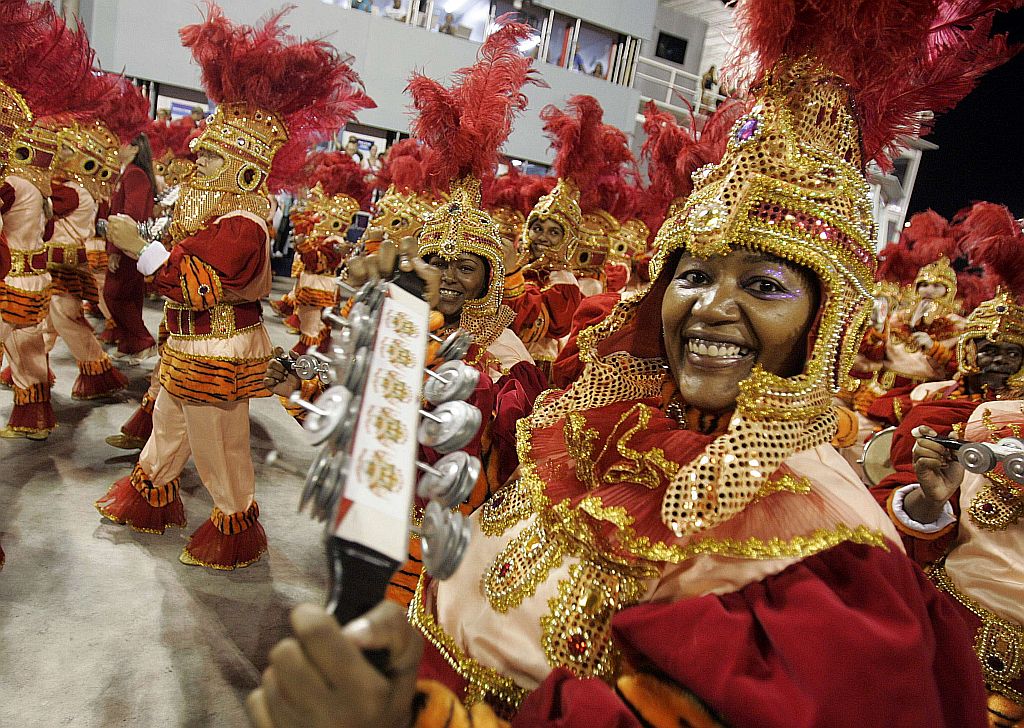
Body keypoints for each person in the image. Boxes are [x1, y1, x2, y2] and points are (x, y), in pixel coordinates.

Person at [248, 0, 1014, 723]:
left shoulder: (827, 562)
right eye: (694, 273)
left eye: (763, 284)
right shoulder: (600, 424)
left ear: (826, 322)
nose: (711, 306)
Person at [94, 3, 374, 570]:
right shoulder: (216, 214)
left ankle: (235, 519)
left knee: (218, 444)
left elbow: (193, 282)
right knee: (170, 424)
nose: (196, 164)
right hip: (191, 343)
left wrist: (138, 247)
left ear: (243, 172)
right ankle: (150, 491)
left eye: (210, 159)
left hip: (218, 345)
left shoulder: (243, 224)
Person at [104, 131, 158, 364]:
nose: (118, 146)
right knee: (130, 295)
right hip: (126, 244)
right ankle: (129, 343)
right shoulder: (128, 173)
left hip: (127, 246)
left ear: (135, 149)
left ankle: (143, 341)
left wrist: (116, 249)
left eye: (123, 142)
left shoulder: (134, 174)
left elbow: (131, 215)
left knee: (114, 295)